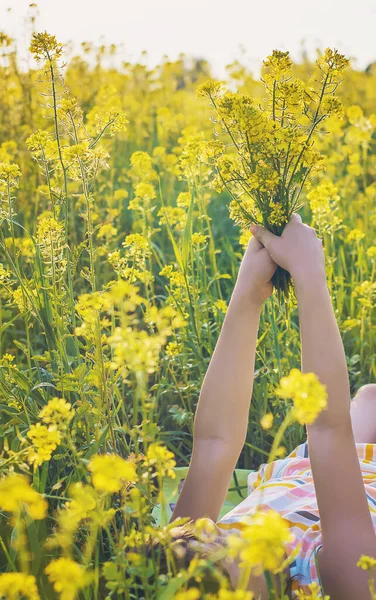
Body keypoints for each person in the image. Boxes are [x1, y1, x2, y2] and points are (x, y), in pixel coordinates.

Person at [166, 214, 376, 599]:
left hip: (305, 480)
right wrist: (310, 276)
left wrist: (248, 293)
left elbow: (214, 442)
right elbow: (328, 431)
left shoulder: (177, 562)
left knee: (370, 400)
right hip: (352, 491)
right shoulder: (345, 580)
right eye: (223, 547)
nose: (211, 532)